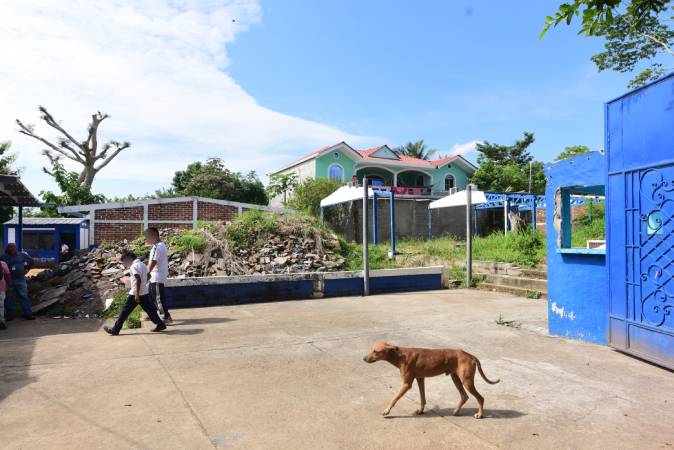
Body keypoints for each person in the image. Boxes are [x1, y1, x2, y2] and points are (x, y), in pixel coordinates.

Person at [104, 250, 166, 335]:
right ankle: (160, 324)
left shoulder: (134, 266)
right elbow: (149, 276)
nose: (125, 263)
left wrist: (137, 294)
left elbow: (138, 279)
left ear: (128, 258)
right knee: (150, 310)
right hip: (144, 292)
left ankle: (115, 329)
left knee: (124, 311)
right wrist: (143, 285)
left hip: (135, 293)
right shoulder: (142, 264)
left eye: (125, 261)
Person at [144, 227, 173, 324]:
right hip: (155, 275)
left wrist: (146, 274)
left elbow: (153, 262)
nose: (146, 239)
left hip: (156, 276)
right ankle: (152, 314)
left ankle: (166, 317)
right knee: (151, 297)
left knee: (158, 298)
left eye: (147, 237)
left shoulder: (158, 247)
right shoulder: (159, 245)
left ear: (153, 236)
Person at [1, 243, 34, 320]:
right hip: (8, 280)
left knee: (23, 296)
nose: (12, 249)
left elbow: (31, 261)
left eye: (13, 247)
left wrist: (27, 269)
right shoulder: (3, 257)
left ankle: (28, 314)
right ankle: (10, 315)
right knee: (8, 297)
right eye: (10, 248)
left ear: (15, 248)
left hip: (20, 279)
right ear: (7, 249)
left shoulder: (21, 255)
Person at [0, 259, 11, 330]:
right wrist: (8, 285)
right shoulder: (3, 263)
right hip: (1, 288)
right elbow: (8, 276)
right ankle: (1, 322)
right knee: (1, 306)